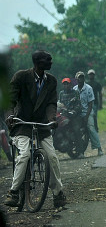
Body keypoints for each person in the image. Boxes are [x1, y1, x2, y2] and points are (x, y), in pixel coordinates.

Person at [5, 50, 66, 208]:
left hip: (42, 125)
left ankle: (58, 193)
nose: (51, 62)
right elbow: (10, 100)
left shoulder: (51, 81)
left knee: (52, 157)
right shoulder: (21, 76)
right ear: (38, 63)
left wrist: (52, 119)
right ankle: (14, 192)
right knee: (24, 155)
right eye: (48, 60)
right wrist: (10, 116)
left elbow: (51, 103)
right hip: (21, 124)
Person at [74, 71, 102, 156]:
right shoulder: (74, 89)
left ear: (84, 78)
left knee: (91, 128)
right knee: (76, 130)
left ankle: (99, 148)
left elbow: (90, 104)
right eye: (79, 77)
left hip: (88, 112)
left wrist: (86, 116)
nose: (80, 79)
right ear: (76, 79)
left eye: (82, 77)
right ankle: (80, 151)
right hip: (78, 113)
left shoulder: (88, 88)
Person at [86, 69, 102, 137]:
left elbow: (100, 94)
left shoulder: (97, 84)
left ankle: (95, 129)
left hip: (95, 103)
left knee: (94, 116)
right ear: (88, 75)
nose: (91, 75)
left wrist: (101, 104)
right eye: (90, 74)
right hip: (87, 103)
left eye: (92, 74)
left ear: (94, 75)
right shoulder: (86, 84)